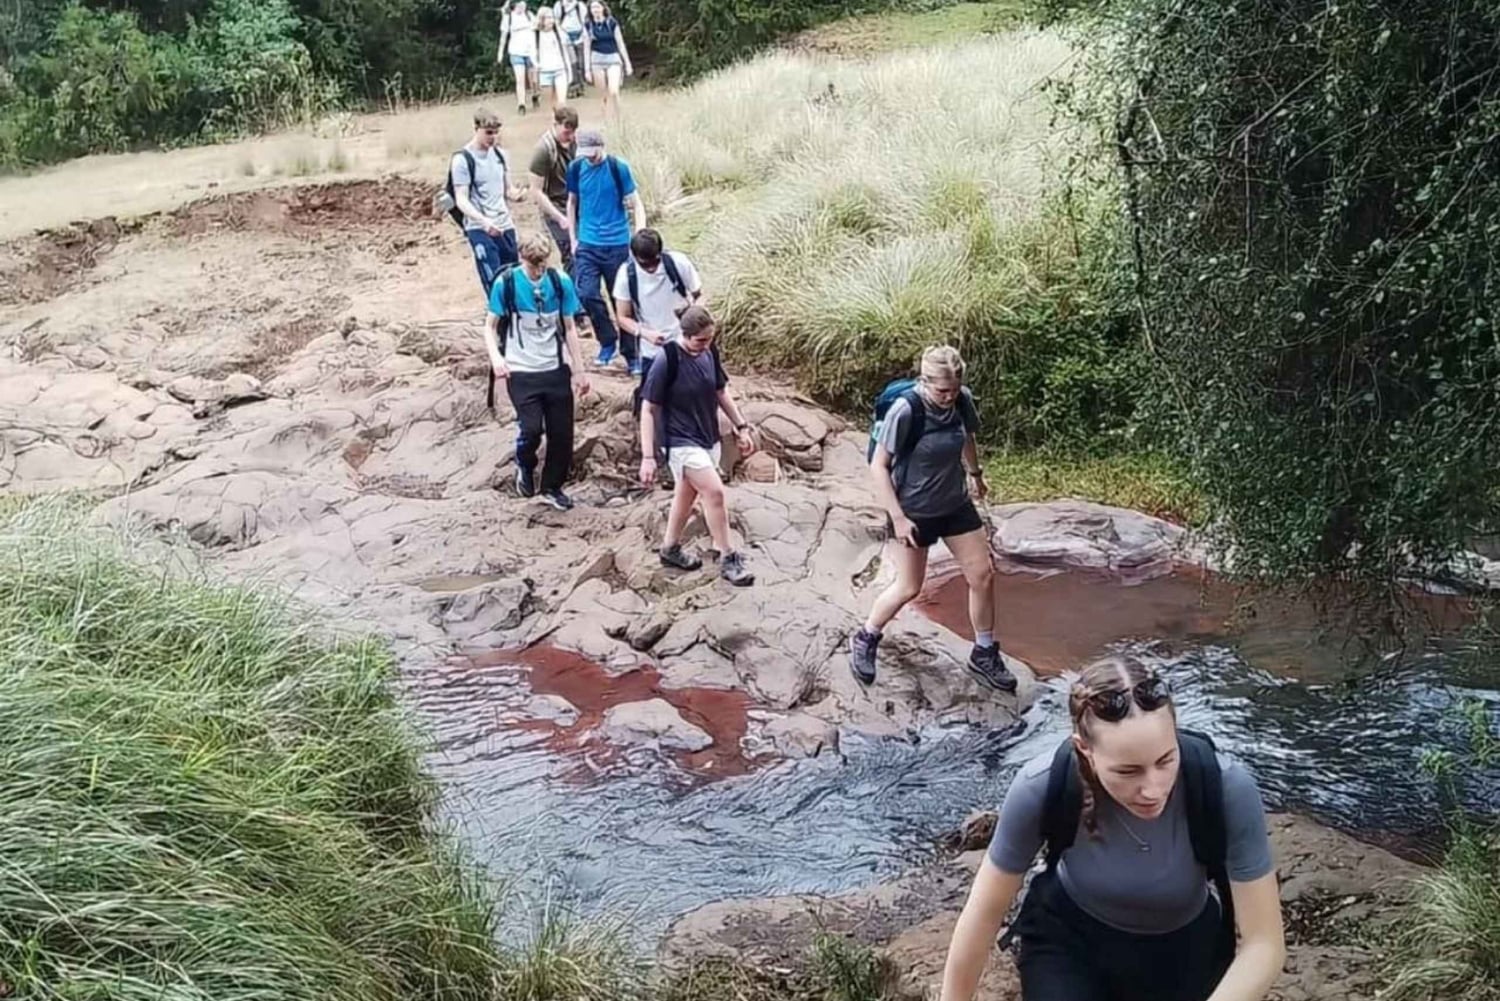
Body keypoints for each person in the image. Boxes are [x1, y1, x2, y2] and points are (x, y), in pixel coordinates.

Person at [939, 654, 1286, 1001]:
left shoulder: (1225, 788)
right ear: (1084, 750)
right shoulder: (1041, 786)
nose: (1153, 789)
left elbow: (1263, 943)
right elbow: (983, 914)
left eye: (1166, 760)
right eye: (1128, 771)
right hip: (1070, 945)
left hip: (1187, 950)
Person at [849, 346, 1016, 693]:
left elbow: (967, 435)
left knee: (983, 575)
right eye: (942, 390)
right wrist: (898, 518)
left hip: (954, 504)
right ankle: (866, 637)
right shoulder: (905, 410)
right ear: (924, 382)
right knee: (910, 587)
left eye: (954, 390)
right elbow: (878, 466)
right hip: (915, 510)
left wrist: (976, 474)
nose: (948, 396)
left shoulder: (961, 400)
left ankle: (984, 651)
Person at [639, 305, 757, 587]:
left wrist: (741, 426)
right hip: (679, 441)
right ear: (686, 335)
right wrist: (648, 456)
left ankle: (669, 548)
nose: (705, 346)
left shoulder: (709, 353)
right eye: (700, 341)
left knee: (686, 494)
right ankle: (727, 555)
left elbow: (720, 392)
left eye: (709, 340)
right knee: (714, 492)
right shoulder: (667, 359)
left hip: (707, 436)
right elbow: (648, 408)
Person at [484, 232, 592, 511]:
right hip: (521, 369)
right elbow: (490, 326)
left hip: (554, 368)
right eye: (533, 265)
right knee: (531, 429)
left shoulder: (560, 282)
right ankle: (525, 464)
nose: (537, 270)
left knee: (562, 434)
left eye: (542, 264)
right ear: (522, 259)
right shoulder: (505, 284)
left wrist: (579, 370)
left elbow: (569, 327)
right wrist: (497, 358)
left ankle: (552, 487)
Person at [566, 127, 646, 370]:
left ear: (601, 146)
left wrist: (638, 237)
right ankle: (607, 340)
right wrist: (573, 237)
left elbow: (635, 203)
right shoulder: (576, 168)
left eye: (593, 152)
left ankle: (631, 354)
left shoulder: (617, 167)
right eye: (585, 153)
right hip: (588, 242)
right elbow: (572, 202)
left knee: (622, 298)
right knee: (587, 293)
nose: (590, 157)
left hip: (617, 243)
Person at [612, 227, 703, 415]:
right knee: (651, 403)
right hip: (652, 350)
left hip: (685, 344)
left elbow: (700, 295)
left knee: (691, 397)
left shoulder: (678, 263)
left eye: (655, 261)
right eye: (645, 264)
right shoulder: (626, 275)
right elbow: (622, 317)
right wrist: (644, 333)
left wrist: (692, 316)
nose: (652, 268)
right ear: (634, 257)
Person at [451, 108, 527, 297]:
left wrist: (517, 194)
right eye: (488, 132)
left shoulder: (501, 155)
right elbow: (461, 199)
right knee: (494, 282)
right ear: (476, 129)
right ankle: (498, 322)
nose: (492, 137)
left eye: (495, 132)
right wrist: (484, 222)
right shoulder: (463, 159)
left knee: (513, 278)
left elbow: (507, 189)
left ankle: (514, 322)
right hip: (480, 227)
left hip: (504, 224)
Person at [529, 105, 579, 273]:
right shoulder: (543, 150)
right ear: (555, 125)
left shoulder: (575, 143)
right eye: (566, 132)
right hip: (555, 206)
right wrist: (559, 218)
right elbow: (536, 191)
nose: (570, 137)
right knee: (571, 253)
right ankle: (574, 295)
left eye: (573, 132)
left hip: (576, 204)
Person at [583, 1, 633, 118]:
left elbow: (620, 44)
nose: (595, 10)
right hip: (596, 61)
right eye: (593, 8)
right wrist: (587, 69)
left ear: (603, 8)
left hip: (613, 59)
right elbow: (586, 48)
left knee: (614, 91)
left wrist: (627, 63)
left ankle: (619, 117)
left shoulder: (612, 23)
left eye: (597, 7)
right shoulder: (588, 26)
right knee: (602, 95)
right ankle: (605, 119)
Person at [498, 0, 539, 115]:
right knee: (520, 79)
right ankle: (521, 104)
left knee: (533, 80)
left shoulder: (530, 15)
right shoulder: (508, 18)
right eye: (519, 4)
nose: (522, 6)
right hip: (516, 52)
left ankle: (535, 94)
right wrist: (500, 53)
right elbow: (503, 36)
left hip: (531, 52)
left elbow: (538, 26)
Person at [533, 8, 573, 110]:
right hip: (544, 72)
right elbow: (531, 53)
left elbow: (565, 52)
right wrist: (537, 66)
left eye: (552, 17)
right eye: (548, 18)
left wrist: (569, 70)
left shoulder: (559, 32)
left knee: (562, 102)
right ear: (542, 19)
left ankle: (564, 124)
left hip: (560, 70)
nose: (551, 20)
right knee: (551, 104)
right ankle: (554, 123)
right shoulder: (535, 34)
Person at [555, 0, 588, 99]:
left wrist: (583, 33)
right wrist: (562, 34)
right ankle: (573, 87)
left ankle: (580, 85)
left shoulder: (579, 5)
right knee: (572, 62)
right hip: (566, 35)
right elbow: (556, 21)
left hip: (579, 35)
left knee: (580, 63)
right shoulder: (559, 5)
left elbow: (584, 21)